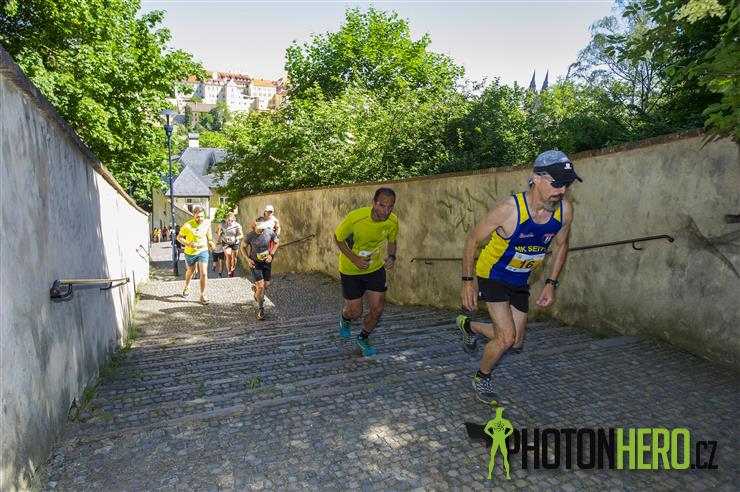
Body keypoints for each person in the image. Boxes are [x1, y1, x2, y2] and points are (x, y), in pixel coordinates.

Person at [457, 150, 579, 403]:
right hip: (493, 273)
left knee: (515, 341)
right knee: (506, 338)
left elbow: (561, 246)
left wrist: (551, 283)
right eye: (556, 183)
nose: (562, 191)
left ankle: (469, 326)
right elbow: (472, 240)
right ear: (537, 178)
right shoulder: (509, 209)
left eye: (566, 184)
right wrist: (467, 282)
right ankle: (482, 377)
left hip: (521, 278)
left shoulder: (565, 211)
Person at [334, 188, 398, 356]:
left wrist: (392, 256)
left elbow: (392, 241)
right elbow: (338, 239)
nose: (386, 211)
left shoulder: (392, 221)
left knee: (378, 309)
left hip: (375, 268)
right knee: (355, 312)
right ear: (374, 203)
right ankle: (346, 317)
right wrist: (355, 259)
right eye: (382, 205)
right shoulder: (356, 218)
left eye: (390, 207)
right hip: (350, 269)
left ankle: (363, 338)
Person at [241, 217, 279, 320]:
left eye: (263, 227)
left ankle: (256, 293)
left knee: (266, 285)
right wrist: (248, 259)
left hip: (266, 262)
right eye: (260, 227)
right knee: (261, 286)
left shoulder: (269, 232)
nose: (262, 229)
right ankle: (261, 309)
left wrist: (271, 254)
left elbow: (276, 242)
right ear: (256, 225)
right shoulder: (250, 235)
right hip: (255, 263)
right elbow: (242, 247)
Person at [177, 206, 215, 305]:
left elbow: (208, 231)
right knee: (191, 271)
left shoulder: (207, 222)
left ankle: (203, 295)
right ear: (193, 216)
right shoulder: (187, 225)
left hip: (203, 249)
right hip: (190, 252)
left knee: (204, 273)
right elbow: (179, 237)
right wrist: (188, 244)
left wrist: (210, 241)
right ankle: (187, 286)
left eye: (202, 216)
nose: (200, 219)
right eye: (197, 217)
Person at [220, 212, 243, 277]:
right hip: (226, 242)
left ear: (234, 219)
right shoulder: (223, 224)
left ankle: (233, 268)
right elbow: (218, 230)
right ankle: (229, 272)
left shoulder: (237, 225)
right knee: (228, 256)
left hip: (235, 242)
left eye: (231, 220)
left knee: (234, 258)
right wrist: (220, 236)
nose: (230, 222)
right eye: (228, 220)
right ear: (226, 219)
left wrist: (235, 238)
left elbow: (241, 235)